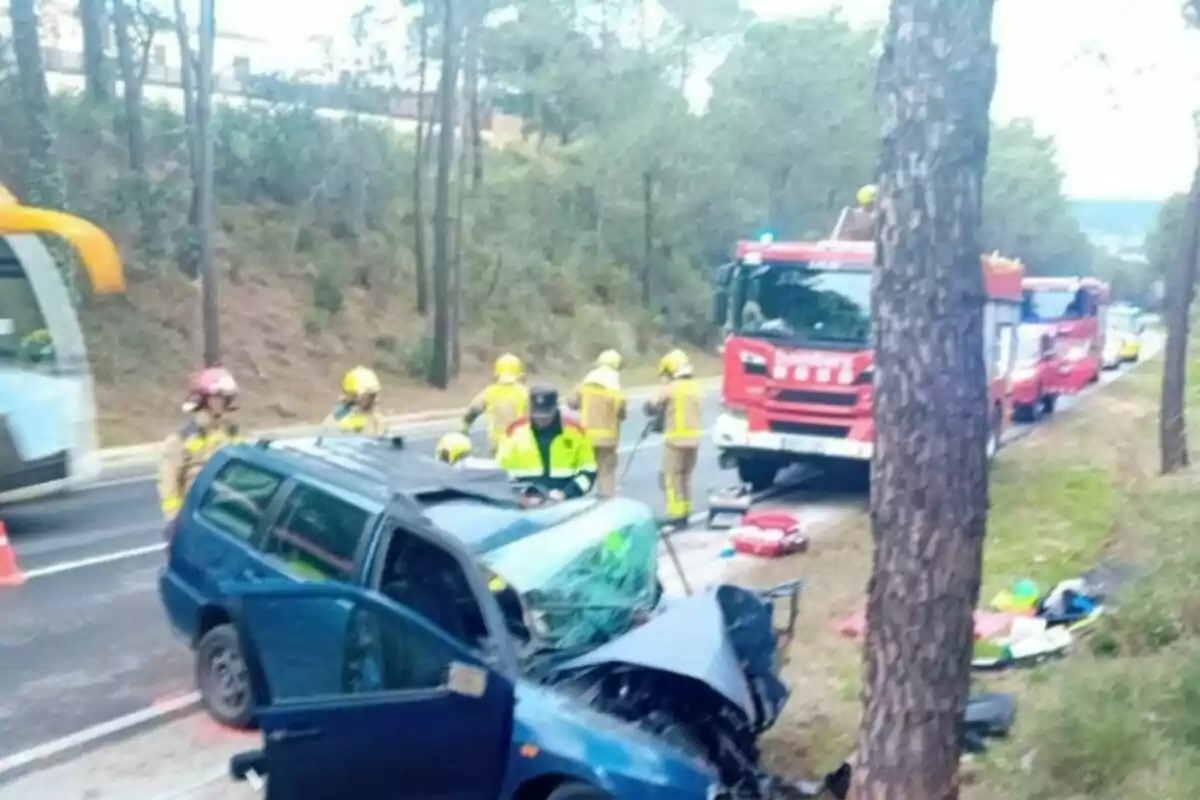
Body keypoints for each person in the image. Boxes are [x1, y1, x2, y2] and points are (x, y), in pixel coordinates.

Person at [158, 367, 242, 521]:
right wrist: (174, 519)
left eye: (226, 398)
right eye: (220, 397)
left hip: (226, 515)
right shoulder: (181, 440)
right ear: (205, 399)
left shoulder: (231, 433)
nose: (224, 403)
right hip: (196, 517)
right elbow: (168, 484)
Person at [497, 386, 597, 502]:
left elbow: (588, 472)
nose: (541, 420)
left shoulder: (575, 432)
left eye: (546, 415)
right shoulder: (514, 432)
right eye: (537, 415)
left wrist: (566, 493)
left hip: (566, 503)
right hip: (522, 502)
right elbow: (500, 472)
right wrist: (520, 495)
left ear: (556, 409)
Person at [644, 349, 702, 531]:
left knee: (671, 478)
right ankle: (684, 513)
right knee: (685, 477)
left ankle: (676, 515)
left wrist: (651, 407)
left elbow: (652, 405)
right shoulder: (694, 387)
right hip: (693, 441)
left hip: (675, 440)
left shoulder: (672, 388)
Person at [566, 349, 626, 497]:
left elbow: (571, 402)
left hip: (585, 437)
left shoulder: (586, 384)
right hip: (608, 440)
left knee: (583, 473)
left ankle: (577, 503)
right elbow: (622, 414)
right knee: (606, 474)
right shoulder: (616, 389)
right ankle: (606, 505)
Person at [463, 354, 530, 456]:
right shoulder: (524, 392)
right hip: (519, 442)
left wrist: (464, 428)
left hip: (497, 443)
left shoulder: (490, 391)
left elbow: (474, 410)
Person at [325, 366, 383, 434]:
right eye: (370, 396)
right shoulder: (342, 413)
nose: (373, 400)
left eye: (373, 396)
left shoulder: (372, 418)